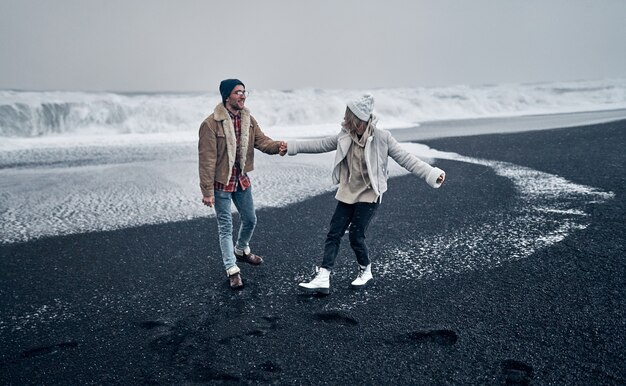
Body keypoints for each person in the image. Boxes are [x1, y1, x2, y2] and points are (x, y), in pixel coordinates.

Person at [286, 94, 445, 294]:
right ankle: (323, 276)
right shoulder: (345, 135)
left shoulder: (382, 137)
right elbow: (319, 145)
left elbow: (406, 159)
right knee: (334, 232)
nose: (346, 121)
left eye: (349, 117)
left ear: (358, 119)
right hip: (348, 192)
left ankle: (365, 270)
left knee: (355, 235)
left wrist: (431, 173)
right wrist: (290, 146)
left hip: (369, 194)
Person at [198, 79, 287, 290]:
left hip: (241, 180)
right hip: (221, 183)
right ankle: (232, 269)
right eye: (238, 92)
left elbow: (262, 142)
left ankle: (241, 250)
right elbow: (207, 160)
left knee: (250, 219)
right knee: (226, 227)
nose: (243, 96)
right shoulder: (210, 124)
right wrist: (207, 191)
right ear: (227, 96)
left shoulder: (248, 119)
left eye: (245, 92)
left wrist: (278, 147)